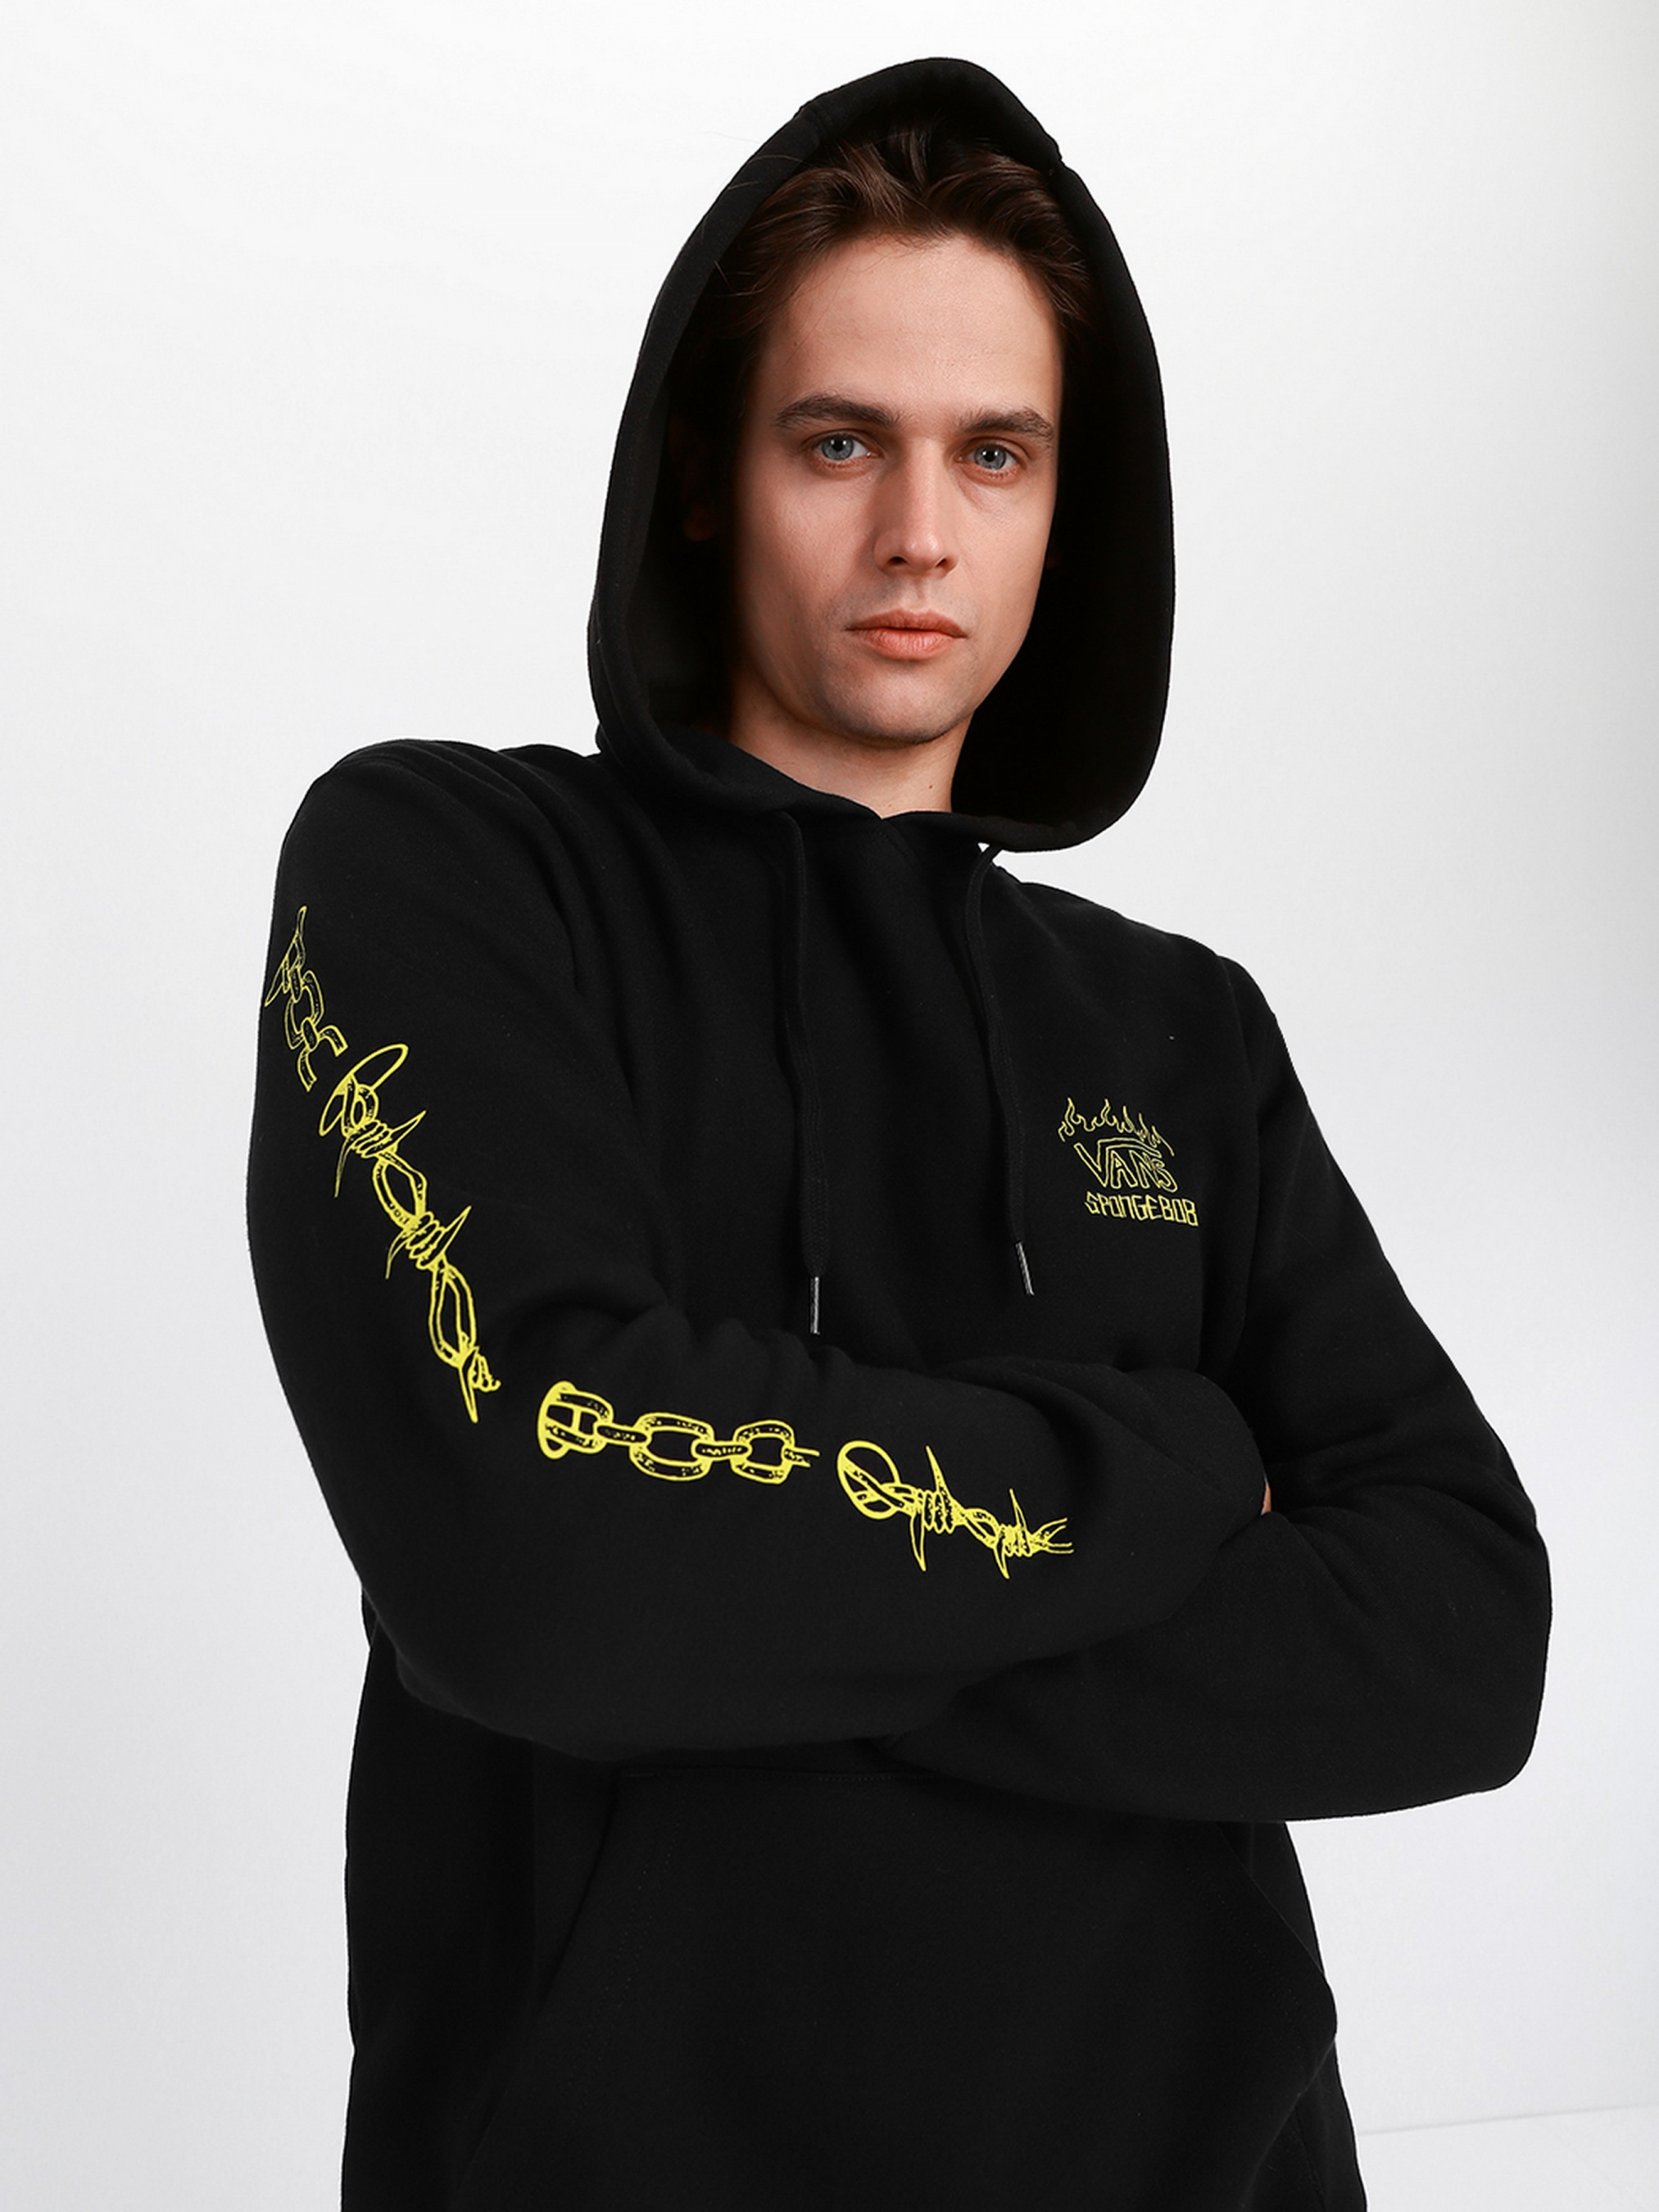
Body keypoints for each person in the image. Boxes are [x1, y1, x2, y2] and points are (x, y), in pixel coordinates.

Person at [248, 55, 1551, 2212]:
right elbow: (541, 1553)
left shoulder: (1177, 1029)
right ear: (706, 472)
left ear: (1065, 507)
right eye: (839, 439)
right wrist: (1167, 1466)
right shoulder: (451, 873)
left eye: (996, 453)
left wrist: (756, 1612)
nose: (919, 532)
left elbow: (1459, 1635)